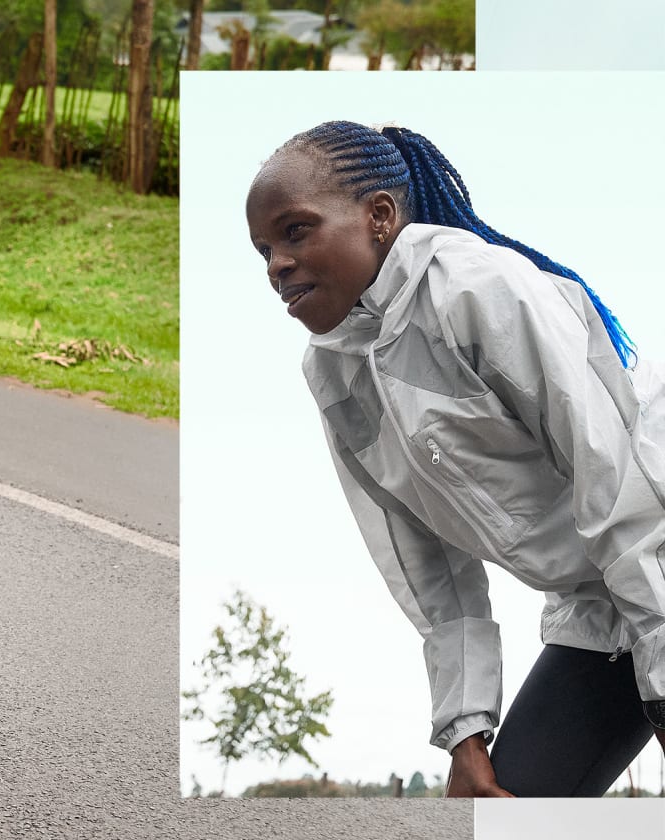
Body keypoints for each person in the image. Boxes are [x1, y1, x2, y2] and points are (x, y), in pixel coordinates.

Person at [245, 120, 665, 796]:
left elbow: (622, 486)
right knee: (503, 811)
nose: (275, 265)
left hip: (655, 559)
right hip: (600, 607)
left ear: (379, 216)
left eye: (295, 232)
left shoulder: (477, 289)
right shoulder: (334, 373)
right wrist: (465, 731)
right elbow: (427, 565)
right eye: (263, 248)